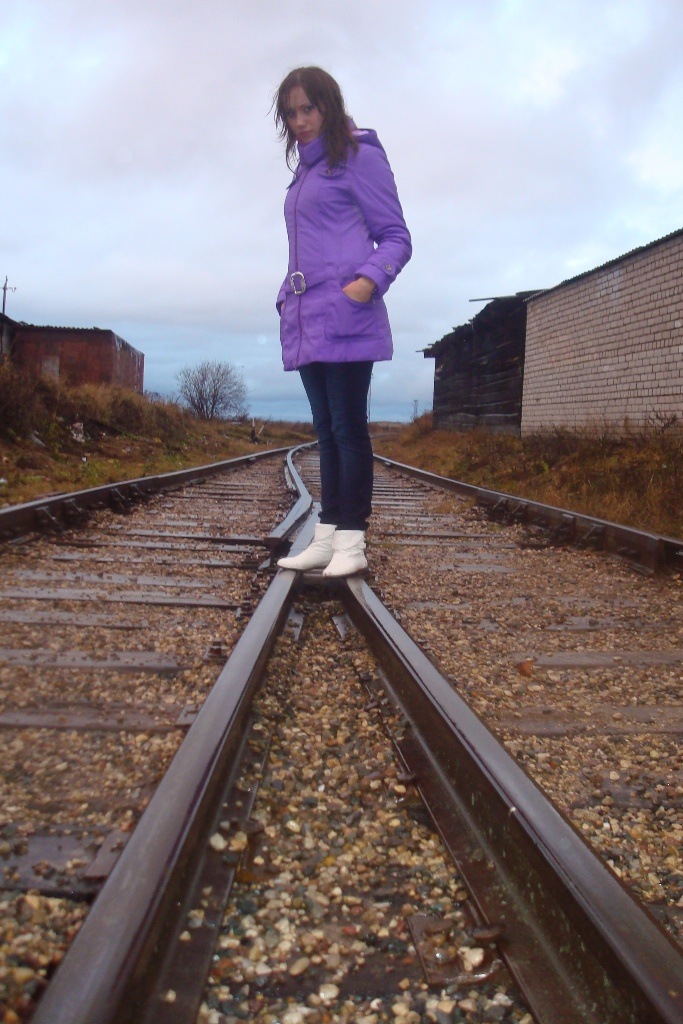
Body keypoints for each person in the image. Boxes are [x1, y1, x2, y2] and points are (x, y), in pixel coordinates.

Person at [273, 66, 411, 576]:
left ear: (329, 105)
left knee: (349, 428)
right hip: (307, 315)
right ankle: (328, 533)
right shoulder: (306, 173)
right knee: (327, 430)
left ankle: (352, 541)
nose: (300, 121)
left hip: (347, 312)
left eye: (308, 108)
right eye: (291, 113)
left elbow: (396, 236)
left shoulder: (359, 156)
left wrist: (366, 283)